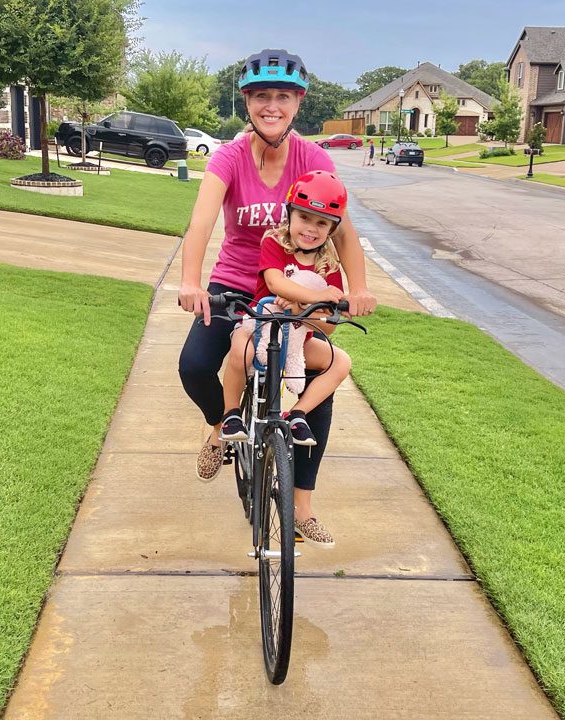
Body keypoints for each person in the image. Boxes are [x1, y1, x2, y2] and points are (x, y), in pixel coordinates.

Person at [177, 49, 376, 547]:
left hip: (295, 291)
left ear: (298, 102)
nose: (271, 106)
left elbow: (345, 233)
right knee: (195, 364)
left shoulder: (314, 159)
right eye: (261, 95)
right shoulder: (229, 156)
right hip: (235, 283)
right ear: (247, 101)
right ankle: (222, 426)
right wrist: (190, 280)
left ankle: (301, 507)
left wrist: (356, 290)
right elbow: (201, 223)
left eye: (282, 96)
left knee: (320, 374)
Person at [218, 170, 352, 456]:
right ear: (290, 214)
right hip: (259, 327)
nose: (310, 228)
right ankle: (230, 413)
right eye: (304, 217)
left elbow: (327, 328)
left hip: (298, 341)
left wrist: (302, 310)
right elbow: (275, 283)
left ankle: (296, 414)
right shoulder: (275, 242)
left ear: (332, 228)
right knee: (242, 351)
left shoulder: (329, 266)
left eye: (321, 222)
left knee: (340, 362)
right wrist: (318, 296)